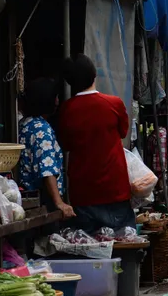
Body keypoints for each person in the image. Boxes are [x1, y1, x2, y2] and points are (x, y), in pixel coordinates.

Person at [57, 54, 135, 233]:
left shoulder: (66, 110)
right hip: (114, 189)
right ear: (94, 74)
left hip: (82, 192)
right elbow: (123, 132)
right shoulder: (114, 104)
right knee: (124, 244)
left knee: (90, 250)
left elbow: (66, 145)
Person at [17, 78, 74, 219]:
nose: (57, 101)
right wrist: (59, 202)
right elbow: (46, 169)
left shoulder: (25, 123)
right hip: (41, 200)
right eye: (55, 97)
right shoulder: (41, 129)